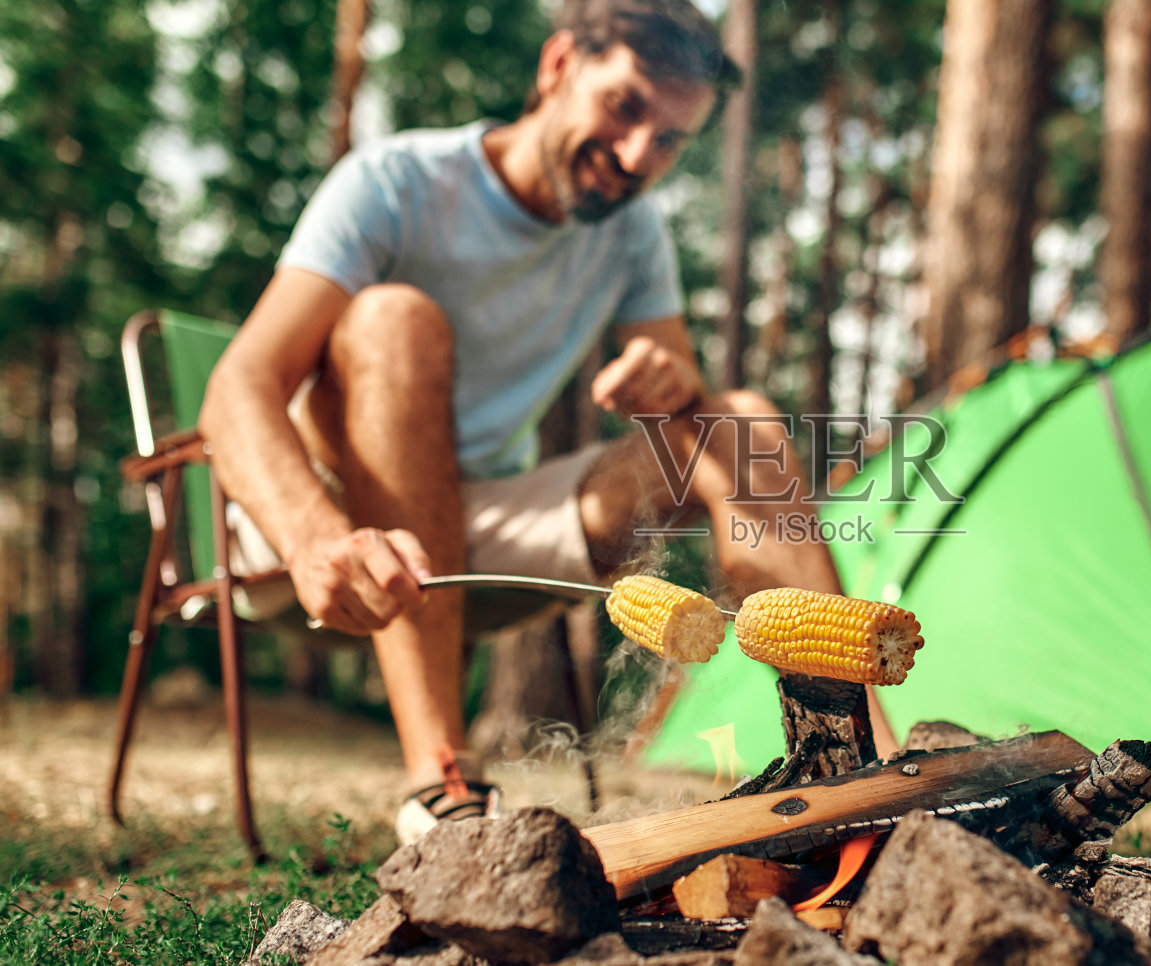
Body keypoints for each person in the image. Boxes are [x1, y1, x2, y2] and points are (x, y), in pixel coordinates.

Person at [198, 0, 886, 845]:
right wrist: (313, 537)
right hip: (332, 527)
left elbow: (688, 397)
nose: (639, 156)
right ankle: (439, 783)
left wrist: (670, 378)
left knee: (737, 424)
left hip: (489, 520)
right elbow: (239, 386)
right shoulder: (397, 183)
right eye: (627, 107)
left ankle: (862, 767)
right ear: (558, 66)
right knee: (394, 319)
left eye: (670, 141)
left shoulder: (632, 231)